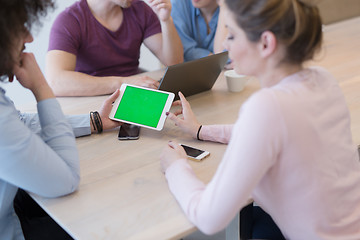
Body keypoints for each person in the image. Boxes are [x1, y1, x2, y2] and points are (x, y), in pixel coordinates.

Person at [160, 0, 360, 239]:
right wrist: (201, 130)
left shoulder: (266, 107)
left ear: (266, 43)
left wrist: (175, 167)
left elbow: (208, 218)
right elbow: (266, 133)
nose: (224, 44)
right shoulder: (323, 79)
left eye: (232, 35)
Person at [0, 0, 122, 239]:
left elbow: (18, 122)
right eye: (19, 27)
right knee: (108, 221)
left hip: (11, 203)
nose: (29, 38)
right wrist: (41, 88)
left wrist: (95, 121)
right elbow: (67, 180)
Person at [45, 0, 183, 97]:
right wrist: (123, 82)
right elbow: (55, 82)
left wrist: (166, 20)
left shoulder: (139, 9)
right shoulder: (70, 20)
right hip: (91, 98)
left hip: (132, 95)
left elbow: (174, 62)